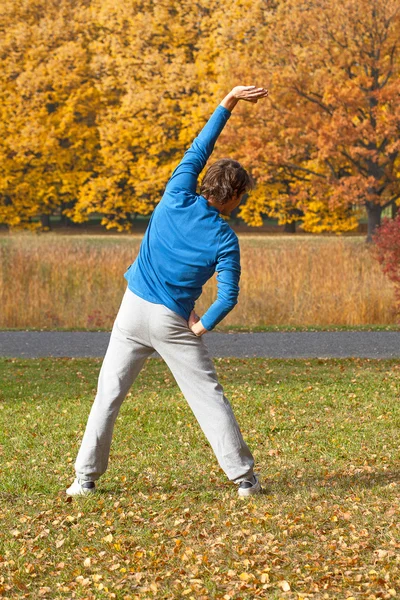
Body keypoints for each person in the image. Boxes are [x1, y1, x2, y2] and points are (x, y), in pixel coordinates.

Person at [66, 85, 269, 498]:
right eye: (241, 197)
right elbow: (228, 297)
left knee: (108, 394)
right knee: (208, 398)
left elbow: (199, 146)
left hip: (130, 310)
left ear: (206, 184)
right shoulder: (225, 239)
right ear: (231, 198)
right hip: (170, 321)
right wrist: (201, 324)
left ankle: (83, 480)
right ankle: (245, 481)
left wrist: (228, 101)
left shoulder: (176, 192)